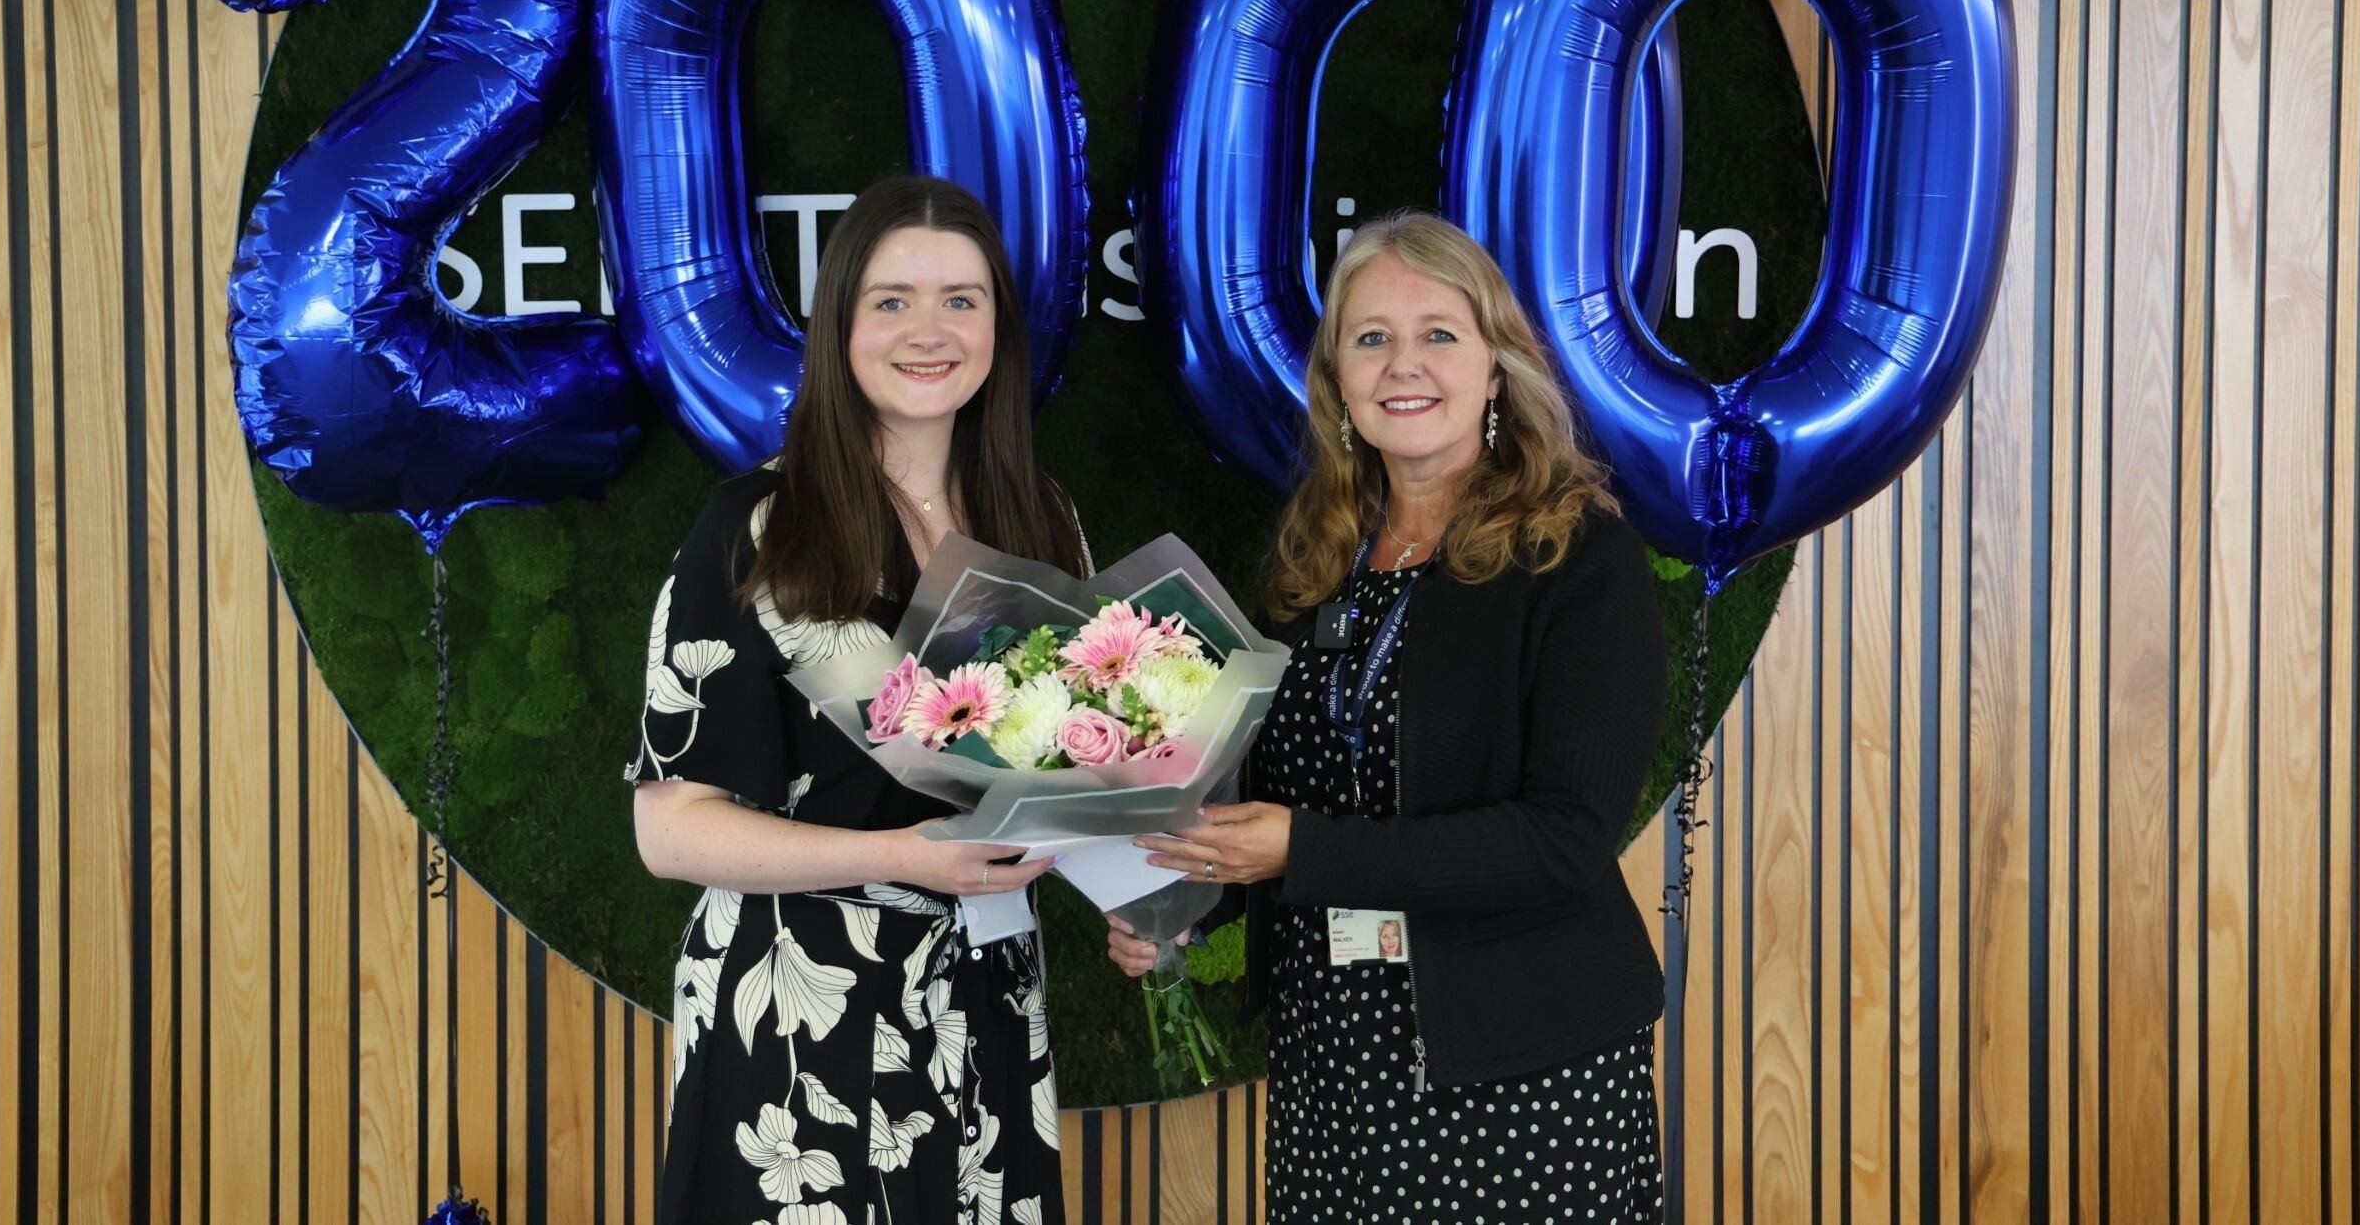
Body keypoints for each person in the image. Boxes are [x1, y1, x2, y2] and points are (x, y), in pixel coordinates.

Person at [1110, 210, 1670, 1221]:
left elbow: (1561, 839)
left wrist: (1298, 850)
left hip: (1515, 1067)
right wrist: (1182, 907)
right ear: (1335, 384)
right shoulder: (1309, 569)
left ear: (1496, 369)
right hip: (1336, 1061)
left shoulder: (1578, 559)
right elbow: (1279, 808)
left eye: (1438, 333)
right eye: (1369, 337)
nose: (1401, 363)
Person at [629, 175, 1085, 1225]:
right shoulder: (759, 526)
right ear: (838, 326)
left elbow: (1059, 783)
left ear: (999, 328)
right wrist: (899, 855)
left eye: (961, 299)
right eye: (891, 300)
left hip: (985, 996)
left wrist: (1143, 891)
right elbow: (670, 827)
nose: (929, 330)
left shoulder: (1043, 520)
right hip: (796, 1023)